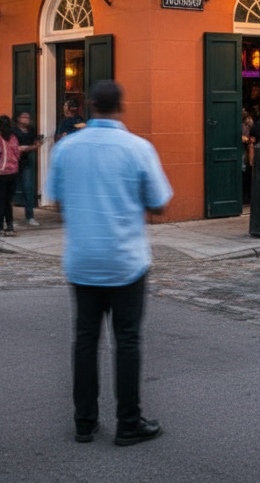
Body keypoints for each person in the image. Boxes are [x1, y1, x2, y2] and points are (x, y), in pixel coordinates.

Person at [46, 80, 172, 446]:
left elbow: (55, 201)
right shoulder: (138, 148)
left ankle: (84, 422)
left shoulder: (67, 147)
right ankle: (128, 423)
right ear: (121, 106)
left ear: (89, 106)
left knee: (85, 340)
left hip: (82, 258)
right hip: (124, 259)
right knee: (127, 341)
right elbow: (160, 202)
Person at [12, 111, 42, 226]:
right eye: (24, 117)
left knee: (28, 189)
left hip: (26, 162)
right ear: (19, 119)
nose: (27, 119)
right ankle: (11, 217)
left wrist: (35, 146)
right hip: (14, 162)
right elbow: (12, 146)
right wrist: (21, 148)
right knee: (12, 190)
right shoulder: (14, 131)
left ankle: (30, 216)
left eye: (28, 117)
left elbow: (34, 144)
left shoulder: (31, 131)